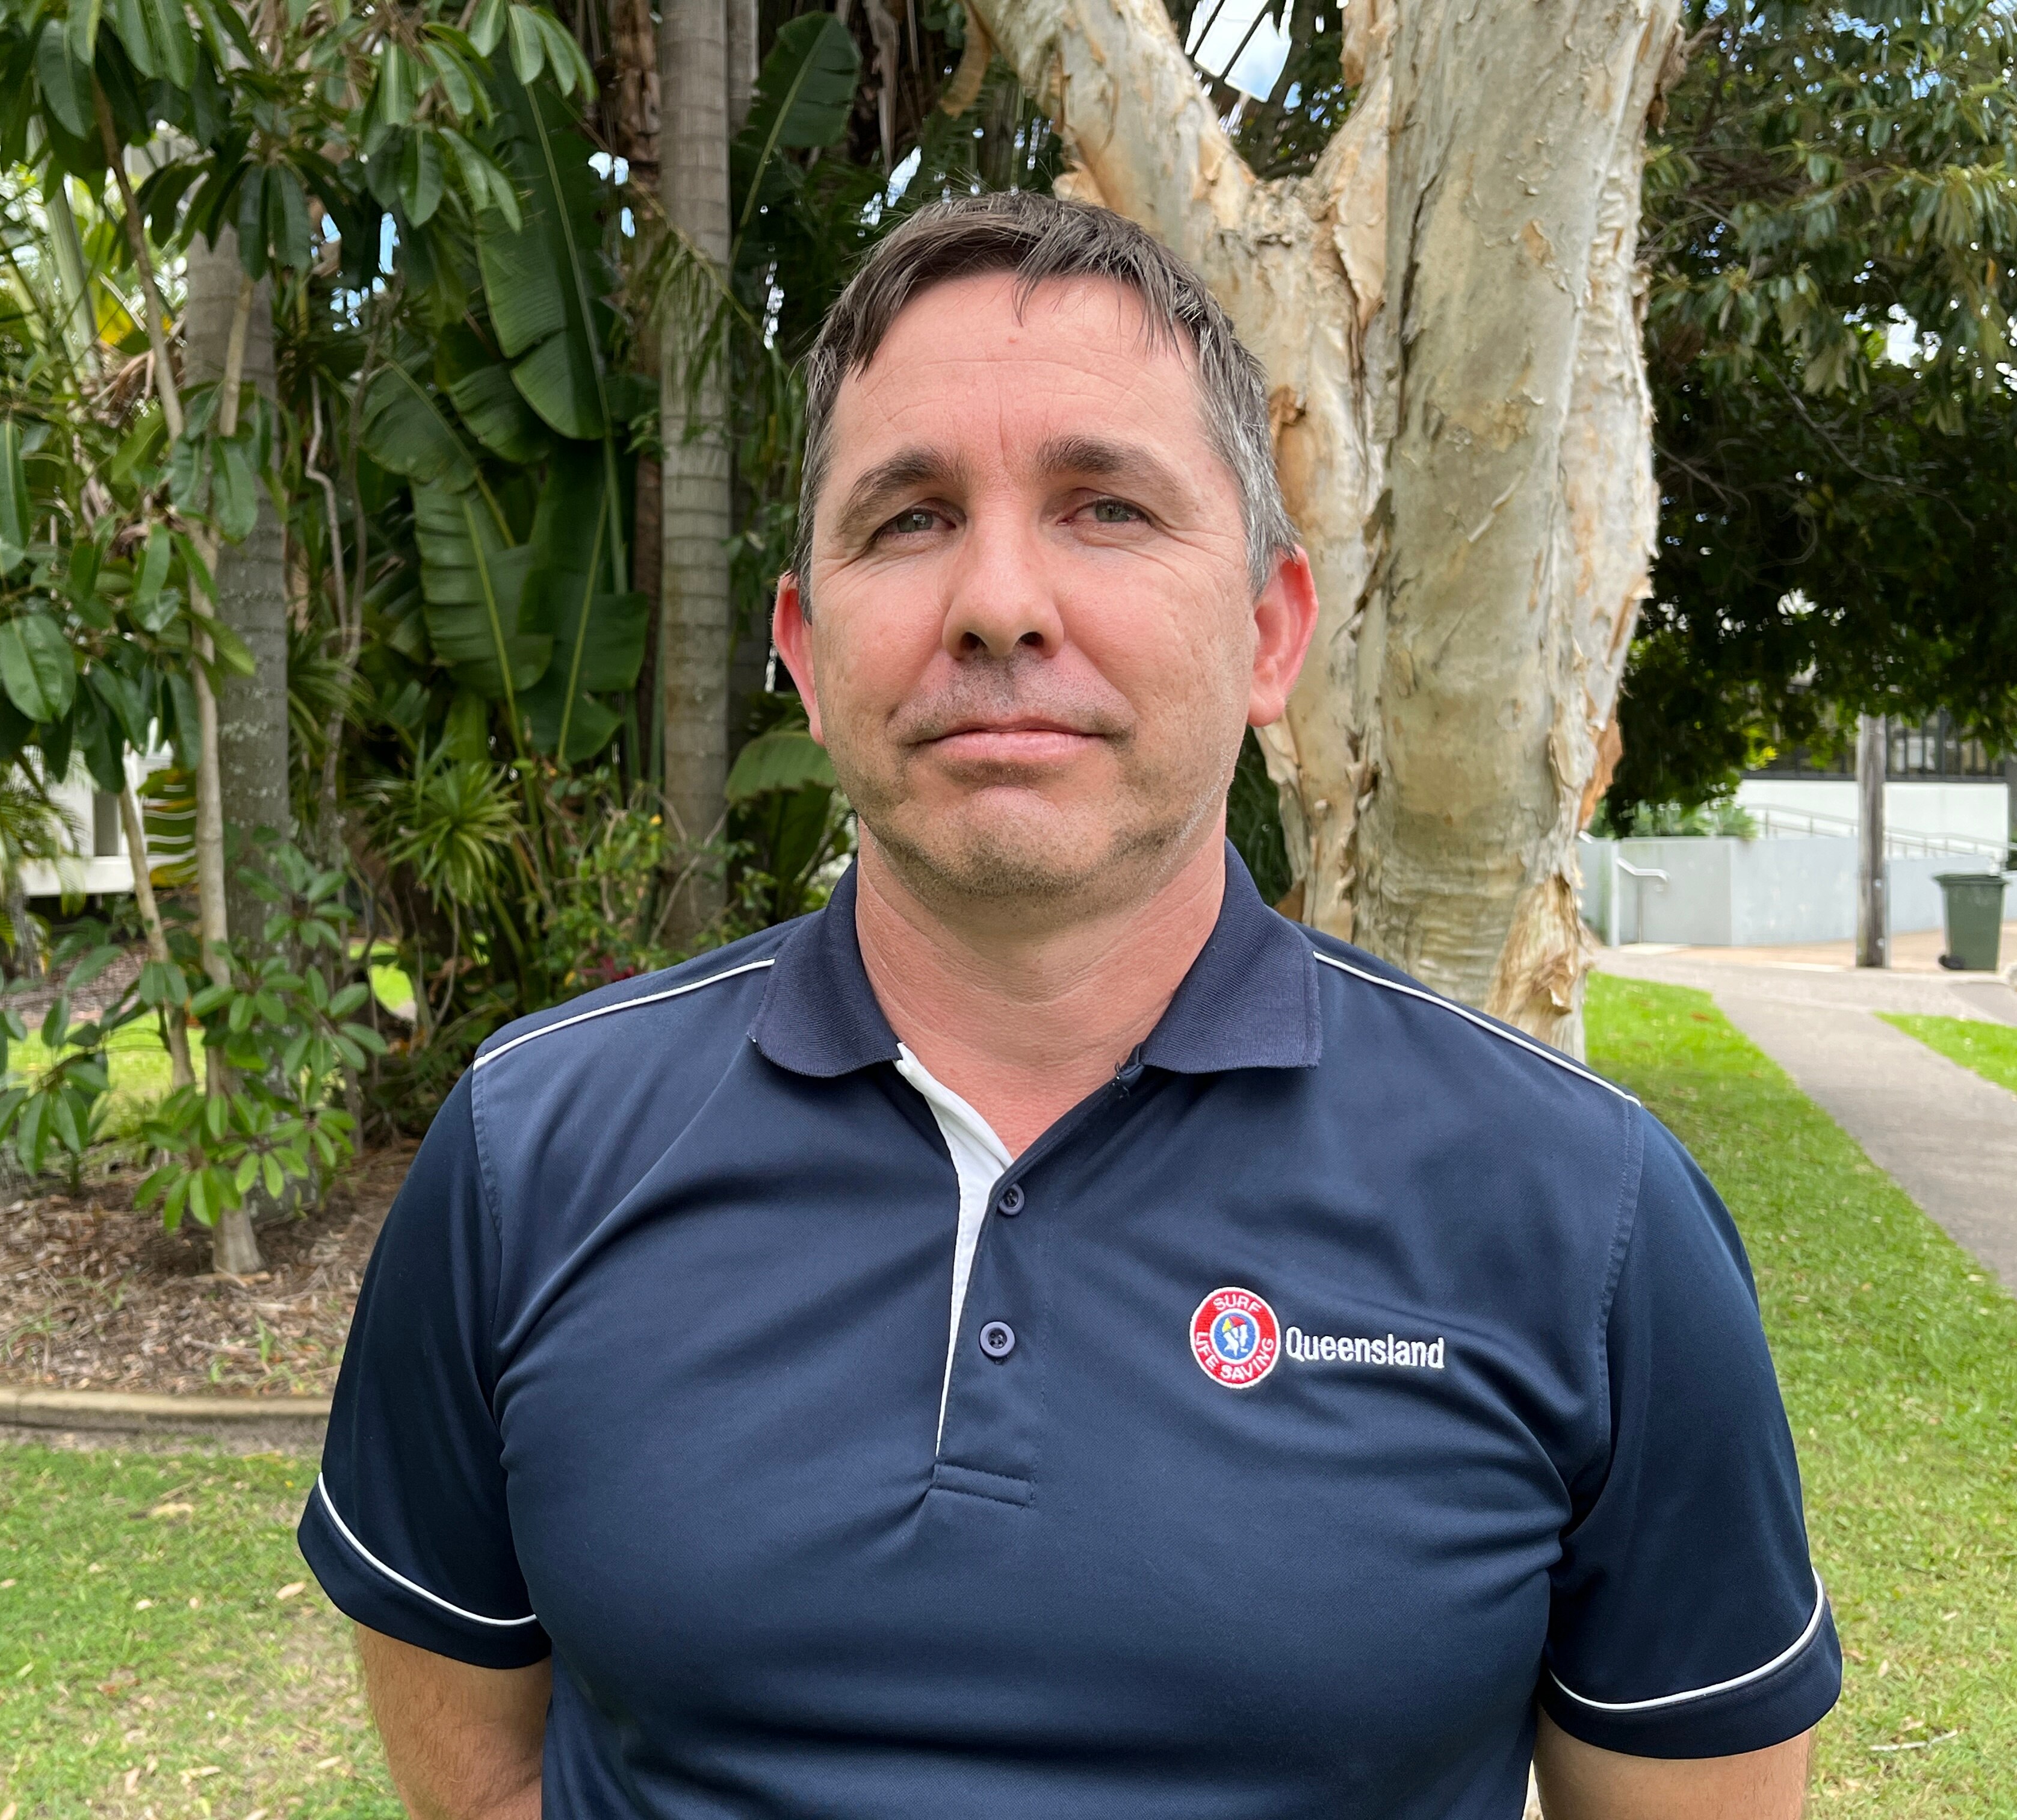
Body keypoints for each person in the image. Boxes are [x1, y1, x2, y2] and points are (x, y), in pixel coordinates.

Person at [299, 191, 1838, 1819]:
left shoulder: (1587, 1216)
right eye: (910, 518)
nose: (998, 602)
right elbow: (480, 1779)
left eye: (1105, 507)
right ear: (806, 656)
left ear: (1269, 635)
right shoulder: (530, 1152)